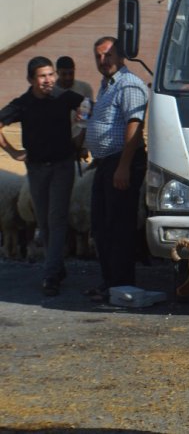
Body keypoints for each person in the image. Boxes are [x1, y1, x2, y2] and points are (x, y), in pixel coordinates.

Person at [0, 56, 85, 296]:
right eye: (42, 76)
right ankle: (56, 266)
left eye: (51, 75)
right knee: (44, 220)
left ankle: (50, 275)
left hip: (62, 166)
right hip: (36, 169)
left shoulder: (64, 97)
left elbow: (90, 107)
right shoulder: (23, 104)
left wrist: (81, 133)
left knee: (56, 218)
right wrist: (12, 151)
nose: (48, 80)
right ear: (31, 79)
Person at [82, 37, 148, 302]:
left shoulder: (129, 84)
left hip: (123, 161)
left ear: (121, 57)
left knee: (119, 226)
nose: (103, 61)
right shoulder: (106, 85)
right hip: (106, 162)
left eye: (108, 55)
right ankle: (109, 283)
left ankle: (121, 285)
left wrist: (123, 167)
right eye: (98, 56)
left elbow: (135, 125)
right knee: (101, 226)